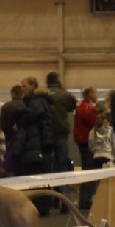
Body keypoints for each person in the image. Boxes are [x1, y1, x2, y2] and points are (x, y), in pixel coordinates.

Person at [15, 76, 54, 216]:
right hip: (38, 144)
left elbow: (32, 114)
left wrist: (19, 123)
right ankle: (41, 205)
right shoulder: (38, 101)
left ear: (32, 86)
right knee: (39, 176)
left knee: (39, 176)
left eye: (24, 85)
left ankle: (43, 206)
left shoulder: (36, 101)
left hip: (38, 144)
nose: (23, 88)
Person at [46, 72, 77, 212]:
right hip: (62, 134)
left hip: (47, 134)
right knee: (63, 166)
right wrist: (63, 89)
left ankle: (52, 200)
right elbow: (72, 105)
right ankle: (66, 200)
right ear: (58, 81)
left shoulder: (43, 94)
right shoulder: (64, 95)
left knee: (50, 167)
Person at [74, 87, 99, 210]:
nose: (97, 95)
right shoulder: (89, 108)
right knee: (90, 170)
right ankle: (86, 200)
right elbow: (95, 122)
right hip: (87, 142)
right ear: (90, 95)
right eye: (95, 93)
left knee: (86, 169)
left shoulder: (81, 107)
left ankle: (83, 199)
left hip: (81, 141)